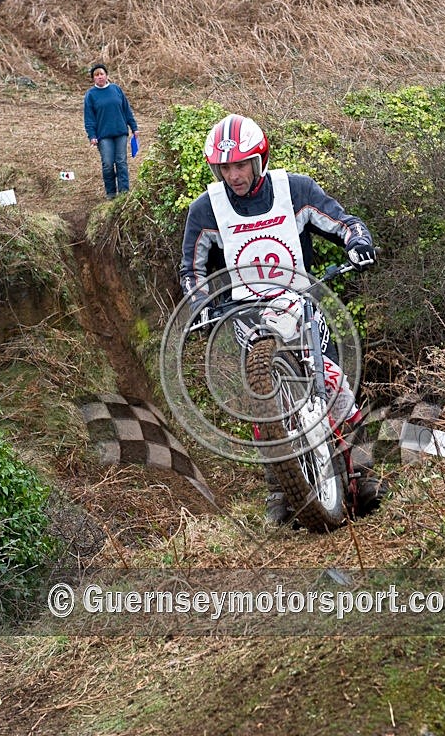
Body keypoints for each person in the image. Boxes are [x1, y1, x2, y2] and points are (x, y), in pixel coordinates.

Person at [180, 114, 380, 524]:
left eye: (240, 165)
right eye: (225, 168)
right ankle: (279, 485)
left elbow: (342, 223)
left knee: (330, 379)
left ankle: (362, 469)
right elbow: (191, 270)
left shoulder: (296, 190)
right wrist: (201, 303)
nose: (233, 175)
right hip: (245, 311)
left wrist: (358, 241)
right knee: (261, 395)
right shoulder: (206, 210)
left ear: (259, 160)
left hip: (301, 299)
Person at [83, 63, 139, 199]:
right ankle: (111, 193)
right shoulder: (90, 95)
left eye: (101, 74)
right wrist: (92, 135)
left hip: (120, 132)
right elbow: (89, 118)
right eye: (96, 75)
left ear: (106, 75)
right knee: (108, 163)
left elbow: (126, 110)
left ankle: (124, 192)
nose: (100, 77)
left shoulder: (116, 90)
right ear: (93, 79)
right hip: (103, 136)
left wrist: (134, 127)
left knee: (121, 162)